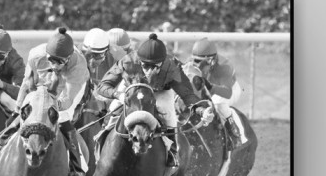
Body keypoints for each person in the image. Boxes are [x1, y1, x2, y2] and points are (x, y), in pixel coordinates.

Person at [0, 26, 88, 176]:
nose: (54, 65)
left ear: (69, 58)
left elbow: (67, 99)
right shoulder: (36, 55)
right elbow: (26, 83)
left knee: (63, 117)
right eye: (51, 60)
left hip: (68, 88)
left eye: (59, 62)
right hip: (42, 85)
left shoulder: (78, 67)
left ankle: (77, 167)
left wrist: (48, 106)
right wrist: (19, 108)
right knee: (23, 115)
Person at [97, 32, 211, 167]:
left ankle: (172, 152)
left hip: (160, 92)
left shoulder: (172, 66)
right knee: (114, 107)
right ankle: (102, 140)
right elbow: (102, 86)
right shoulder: (128, 61)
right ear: (138, 60)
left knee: (167, 112)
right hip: (133, 89)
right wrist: (118, 95)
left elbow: (187, 94)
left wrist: (201, 110)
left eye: (154, 66)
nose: (149, 71)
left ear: (163, 62)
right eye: (145, 66)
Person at [188, 38, 247, 150]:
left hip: (230, 89)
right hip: (208, 87)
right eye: (195, 60)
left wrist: (210, 86)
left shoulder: (224, 66)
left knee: (218, 102)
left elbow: (227, 93)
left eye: (201, 62)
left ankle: (234, 131)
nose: (197, 65)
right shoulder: (191, 63)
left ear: (212, 60)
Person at [80, 28, 124, 113]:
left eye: (97, 56)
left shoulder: (117, 60)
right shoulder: (76, 60)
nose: (91, 61)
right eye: (89, 56)